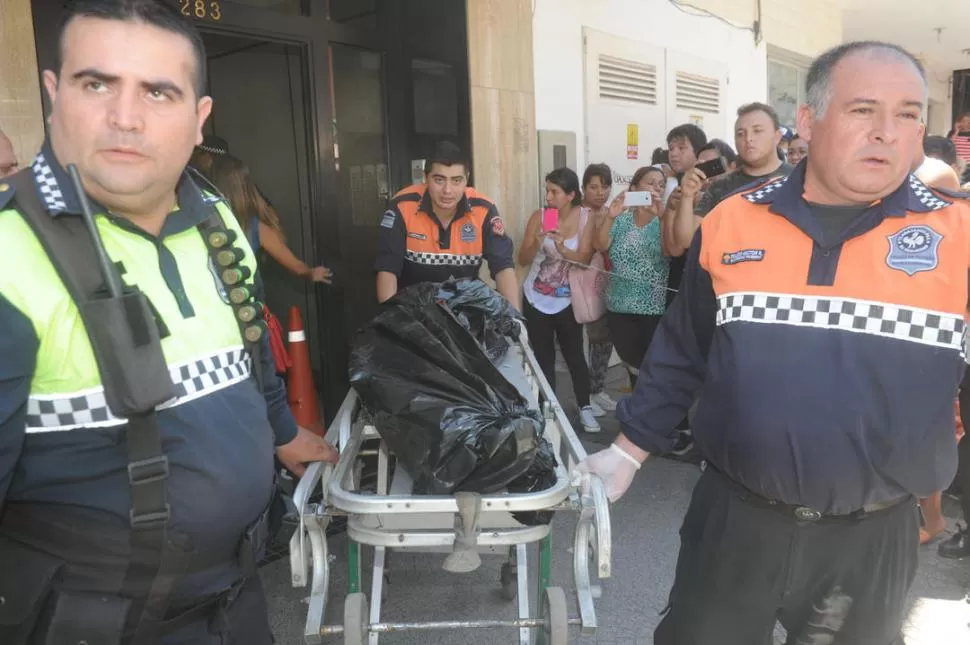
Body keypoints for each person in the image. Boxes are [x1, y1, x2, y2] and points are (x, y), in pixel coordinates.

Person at [578, 41, 970, 644]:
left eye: (909, 113)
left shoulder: (958, 234)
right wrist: (630, 450)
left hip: (871, 540)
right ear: (809, 123)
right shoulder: (733, 221)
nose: (888, 133)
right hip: (734, 523)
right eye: (864, 110)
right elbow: (684, 349)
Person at [0, 3, 337, 643]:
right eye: (96, 84)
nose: (125, 117)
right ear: (52, 94)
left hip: (234, 603)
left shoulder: (214, 216)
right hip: (88, 621)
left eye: (158, 91)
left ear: (198, 117)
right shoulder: (9, 256)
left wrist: (283, 432)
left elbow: (253, 357)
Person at [374, 141, 519, 308]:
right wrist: (391, 320)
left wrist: (515, 321)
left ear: (467, 179)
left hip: (463, 307)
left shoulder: (484, 209)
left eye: (456, 180)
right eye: (439, 180)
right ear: (426, 178)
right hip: (413, 309)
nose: (447, 190)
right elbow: (387, 269)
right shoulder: (402, 205)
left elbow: (503, 268)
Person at [519, 167, 600, 433]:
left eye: (555, 191)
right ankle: (548, 408)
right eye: (547, 190)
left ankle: (585, 407)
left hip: (567, 298)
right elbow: (522, 258)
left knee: (574, 353)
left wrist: (563, 248)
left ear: (571, 195)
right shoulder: (539, 217)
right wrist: (538, 240)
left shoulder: (585, 218)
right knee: (543, 355)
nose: (549, 196)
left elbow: (586, 259)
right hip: (536, 297)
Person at [669, 102, 794, 254]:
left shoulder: (798, 180)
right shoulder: (721, 187)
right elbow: (686, 240)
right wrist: (687, 196)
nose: (748, 138)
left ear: (777, 136)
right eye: (741, 133)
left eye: (757, 131)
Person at [594, 166, 669, 385]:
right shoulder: (621, 220)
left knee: (652, 369)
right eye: (650, 183)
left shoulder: (663, 219)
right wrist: (610, 216)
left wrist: (663, 217)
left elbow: (669, 251)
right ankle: (638, 411)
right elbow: (600, 245)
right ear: (634, 188)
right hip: (619, 306)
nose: (657, 188)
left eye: (661, 184)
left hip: (652, 310)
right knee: (632, 367)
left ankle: (650, 412)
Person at [207, 153, 332, 284]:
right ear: (245, 187)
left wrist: (309, 272)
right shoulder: (254, 227)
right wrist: (310, 272)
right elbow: (296, 267)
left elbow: (297, 267)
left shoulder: (200, 221)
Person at [581, 163, 619, 416]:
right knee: (580, 345)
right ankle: (583, 395)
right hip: (573, 285)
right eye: (593, 187)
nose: (600, 192)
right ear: (582, 189)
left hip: (603, 283)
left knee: (603, 340)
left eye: (605, 187)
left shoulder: (611, 212)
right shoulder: (570, 212)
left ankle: (597, 389)